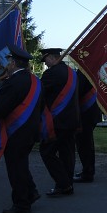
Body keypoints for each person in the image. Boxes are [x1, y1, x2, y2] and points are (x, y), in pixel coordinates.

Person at [0, 45, 41, 213]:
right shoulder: (33, 80)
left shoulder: (13, 82)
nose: (8, 64)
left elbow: (0, 108)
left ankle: (22, 205)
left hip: (17, 131)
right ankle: (31, 192)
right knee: (22, 164)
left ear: (13, 63)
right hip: (30, 130)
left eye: (9, 61)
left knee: (16, 168)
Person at [39, 48, 80, 197]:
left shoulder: (51, 74)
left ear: (51, 57)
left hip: (57, 121)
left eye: (46, 60)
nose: (46, 64)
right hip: (71, 120)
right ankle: (67, 185)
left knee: (47, 152)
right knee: (67, 153)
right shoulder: (71, 72)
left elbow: (39, 93)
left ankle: (63, 183)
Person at [73, 70, 102, 183]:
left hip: (86, 113)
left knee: (84, 144)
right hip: (90, 112)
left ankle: (87, 172)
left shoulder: (84, 71)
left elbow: (78, 90)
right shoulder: (88, 70)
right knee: (86, 143)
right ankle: (88, 170)